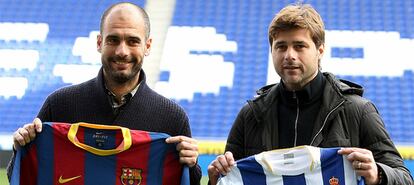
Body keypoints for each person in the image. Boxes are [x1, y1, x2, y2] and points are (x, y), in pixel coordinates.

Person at [208, 3, 413, 185]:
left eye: (299, 46)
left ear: (320, 50)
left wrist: (378, 175)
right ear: (271, 51)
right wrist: (216, 179)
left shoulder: (358, 111)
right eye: (281, 46)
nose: (289, 55)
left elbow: (404, 177)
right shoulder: (251, 115)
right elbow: (228, 177)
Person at [7, 2, 201, 184]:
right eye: (113, 40)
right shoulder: (59, 104)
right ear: (99, 43)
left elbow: (187, 181)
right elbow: (22, 176)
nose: (122, 51)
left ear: (147, 46)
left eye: (133, 41)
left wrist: (191, 165)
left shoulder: (172, 118)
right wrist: (21, 148)